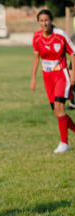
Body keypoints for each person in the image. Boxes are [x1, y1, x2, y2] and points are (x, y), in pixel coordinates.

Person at [30, 9, 75, 153]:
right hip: (47, 77)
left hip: (61, 75)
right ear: (38, 22)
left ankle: (64, 143)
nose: (45, 23)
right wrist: (33, 78)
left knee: (60, 109)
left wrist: (73, 74)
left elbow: (73, 53)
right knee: (57, 112)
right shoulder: (36, 37)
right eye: (42, 21)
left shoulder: (60, 35)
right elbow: (36, 58)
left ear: (51, 20)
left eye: (47, 20)